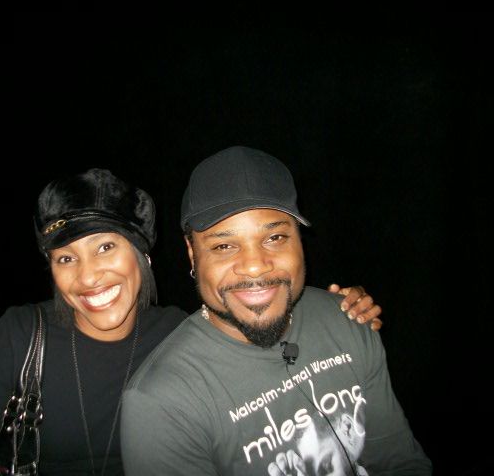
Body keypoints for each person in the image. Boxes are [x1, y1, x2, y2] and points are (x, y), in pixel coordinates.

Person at [0, 168, 383, 475]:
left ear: (142, 255)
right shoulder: (22, 336)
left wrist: (339, 312)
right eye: (65, 258)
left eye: (105, 247)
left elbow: (265, 340)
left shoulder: (181, 334)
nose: (88, 277)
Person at [120, 146, 432, 475]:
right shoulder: (162, 403)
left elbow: (399, 462)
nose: (255, 266)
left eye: (275, 237)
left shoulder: (349, 320)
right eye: (224, 246)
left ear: (300, 240)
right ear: (192, 254)